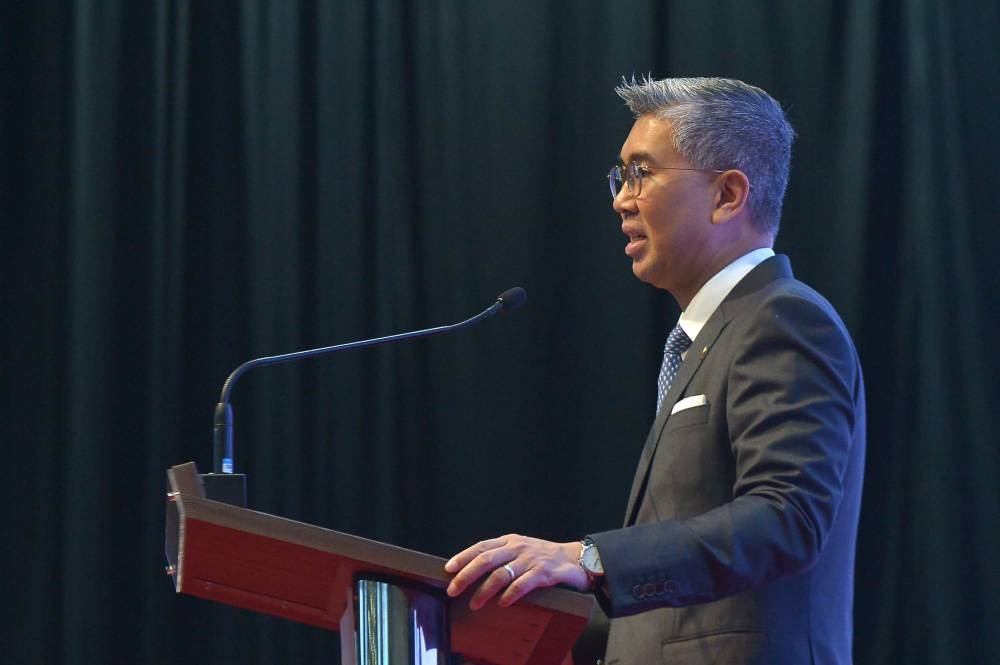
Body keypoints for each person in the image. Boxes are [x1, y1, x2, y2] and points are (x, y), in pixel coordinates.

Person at [444, 76, 866, 664]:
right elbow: (685, 596)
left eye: (641, 172)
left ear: (727, 196)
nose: (621, 199)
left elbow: (786, 518)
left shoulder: (781, 319)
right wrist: (538, 625)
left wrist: (587, 559)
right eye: (620, 177)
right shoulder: (707, 340)